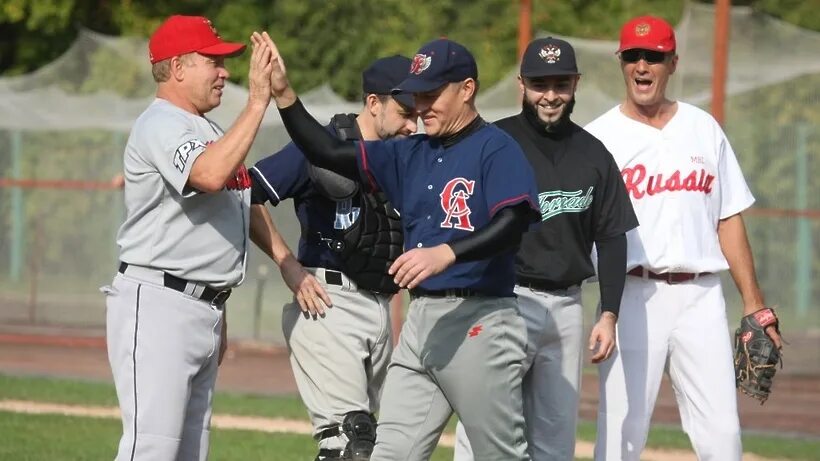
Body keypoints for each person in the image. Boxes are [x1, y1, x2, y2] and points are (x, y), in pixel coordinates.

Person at [263, 33, 541, 460]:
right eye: (415, 96)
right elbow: (327, 150)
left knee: (500, 455)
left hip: (480, 321)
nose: (422, 106)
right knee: (386, 453)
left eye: (432, 93)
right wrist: (284, 95)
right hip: (420, 324)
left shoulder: (496, 148)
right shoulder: (410, 152)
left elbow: (514, 221)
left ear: (467, 89)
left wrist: (447, 252)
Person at [584, 16, 783, 461]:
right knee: (620, 436)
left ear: (672, 63)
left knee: (723, 437)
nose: (642, 65)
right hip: (632, 297)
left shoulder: (702, 127)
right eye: (633, 55)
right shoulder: (599, 137)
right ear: (621, 61)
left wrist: (754, 303)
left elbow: (728, 217)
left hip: (701, 298)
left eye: (653, 56)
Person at [103, 16, 294, 461]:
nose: (224, 72)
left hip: (199, 306)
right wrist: (258, 102)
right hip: (159, 304)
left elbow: (239, 204)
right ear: (178, 67)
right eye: (214, 61)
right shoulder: (161, 124)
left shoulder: (206, 130)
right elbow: (209, 175)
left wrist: (282, 261)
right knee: (151, 449)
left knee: (189, 453)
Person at [453, 37, 638, 461]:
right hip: (503, 299)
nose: (550, 95)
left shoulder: (594, 154)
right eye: (540, 84)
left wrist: (608, 312)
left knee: (555, 438)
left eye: (560, 84)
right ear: (521, 84)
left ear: (576, 83)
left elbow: (612, 237)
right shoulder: (491, 142)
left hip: (567, 308)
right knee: (484, 426)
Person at [248, 55, 418, 461]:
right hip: (328, 304)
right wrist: (287, 263)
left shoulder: (407, 158)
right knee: (347, 442)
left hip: (382, 307)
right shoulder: (322, 145)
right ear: (374, 103)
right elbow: (244, 194)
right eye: (405, 112)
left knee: (375, 445)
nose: (414, 123)